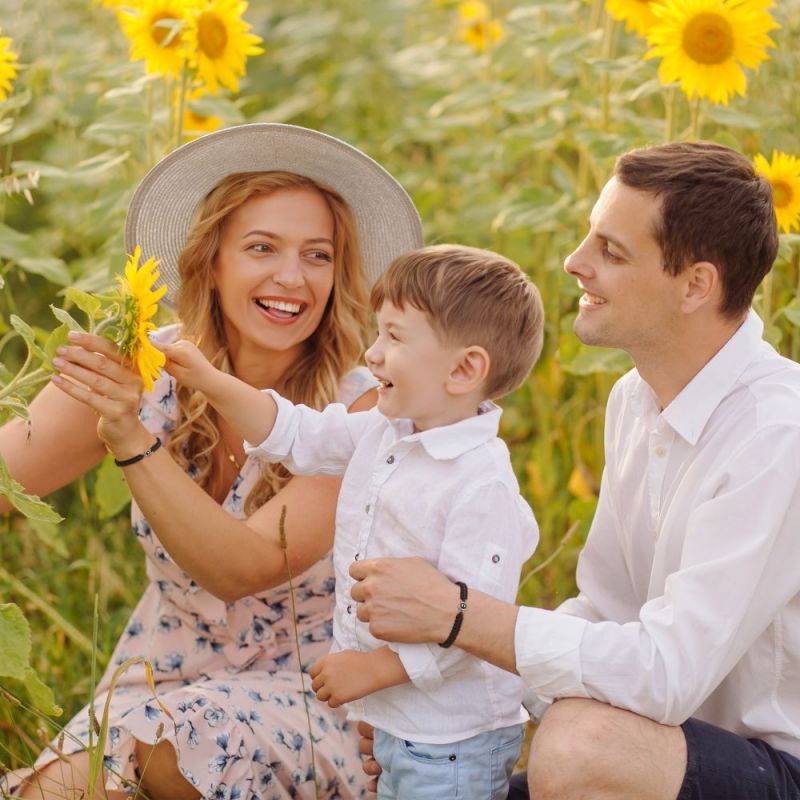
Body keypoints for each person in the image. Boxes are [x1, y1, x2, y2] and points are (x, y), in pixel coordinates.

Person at [348, 141, 800, 800]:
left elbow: (667, 674)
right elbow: (604, 612)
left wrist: (460, 617)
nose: (574, 261)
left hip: (774, 765)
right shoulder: (634, 399)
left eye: (611, 251)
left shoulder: (776, 433)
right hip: (665, 747)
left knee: (581, 746)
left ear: (695, 286)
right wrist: (443, 714)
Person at [0, 123, 422, 800]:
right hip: (159, 674)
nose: (292, 277)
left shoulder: (365, 407)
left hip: (317, 694)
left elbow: (242, 569)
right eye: (262, 247)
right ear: (211, 260)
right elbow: (5, 477)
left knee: (179, 743)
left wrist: (127, 436)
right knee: (51, 792)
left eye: (317, 255)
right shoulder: (148, 366)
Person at [153, 243, 545, 800]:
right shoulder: (387, 431)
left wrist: (373, 669)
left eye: (395, 337)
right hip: (397, 719)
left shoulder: (481, 487)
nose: (373, 354)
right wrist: (209, 380)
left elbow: (473, 628)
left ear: (463, 370)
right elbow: (298, 434)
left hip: (452, 739)